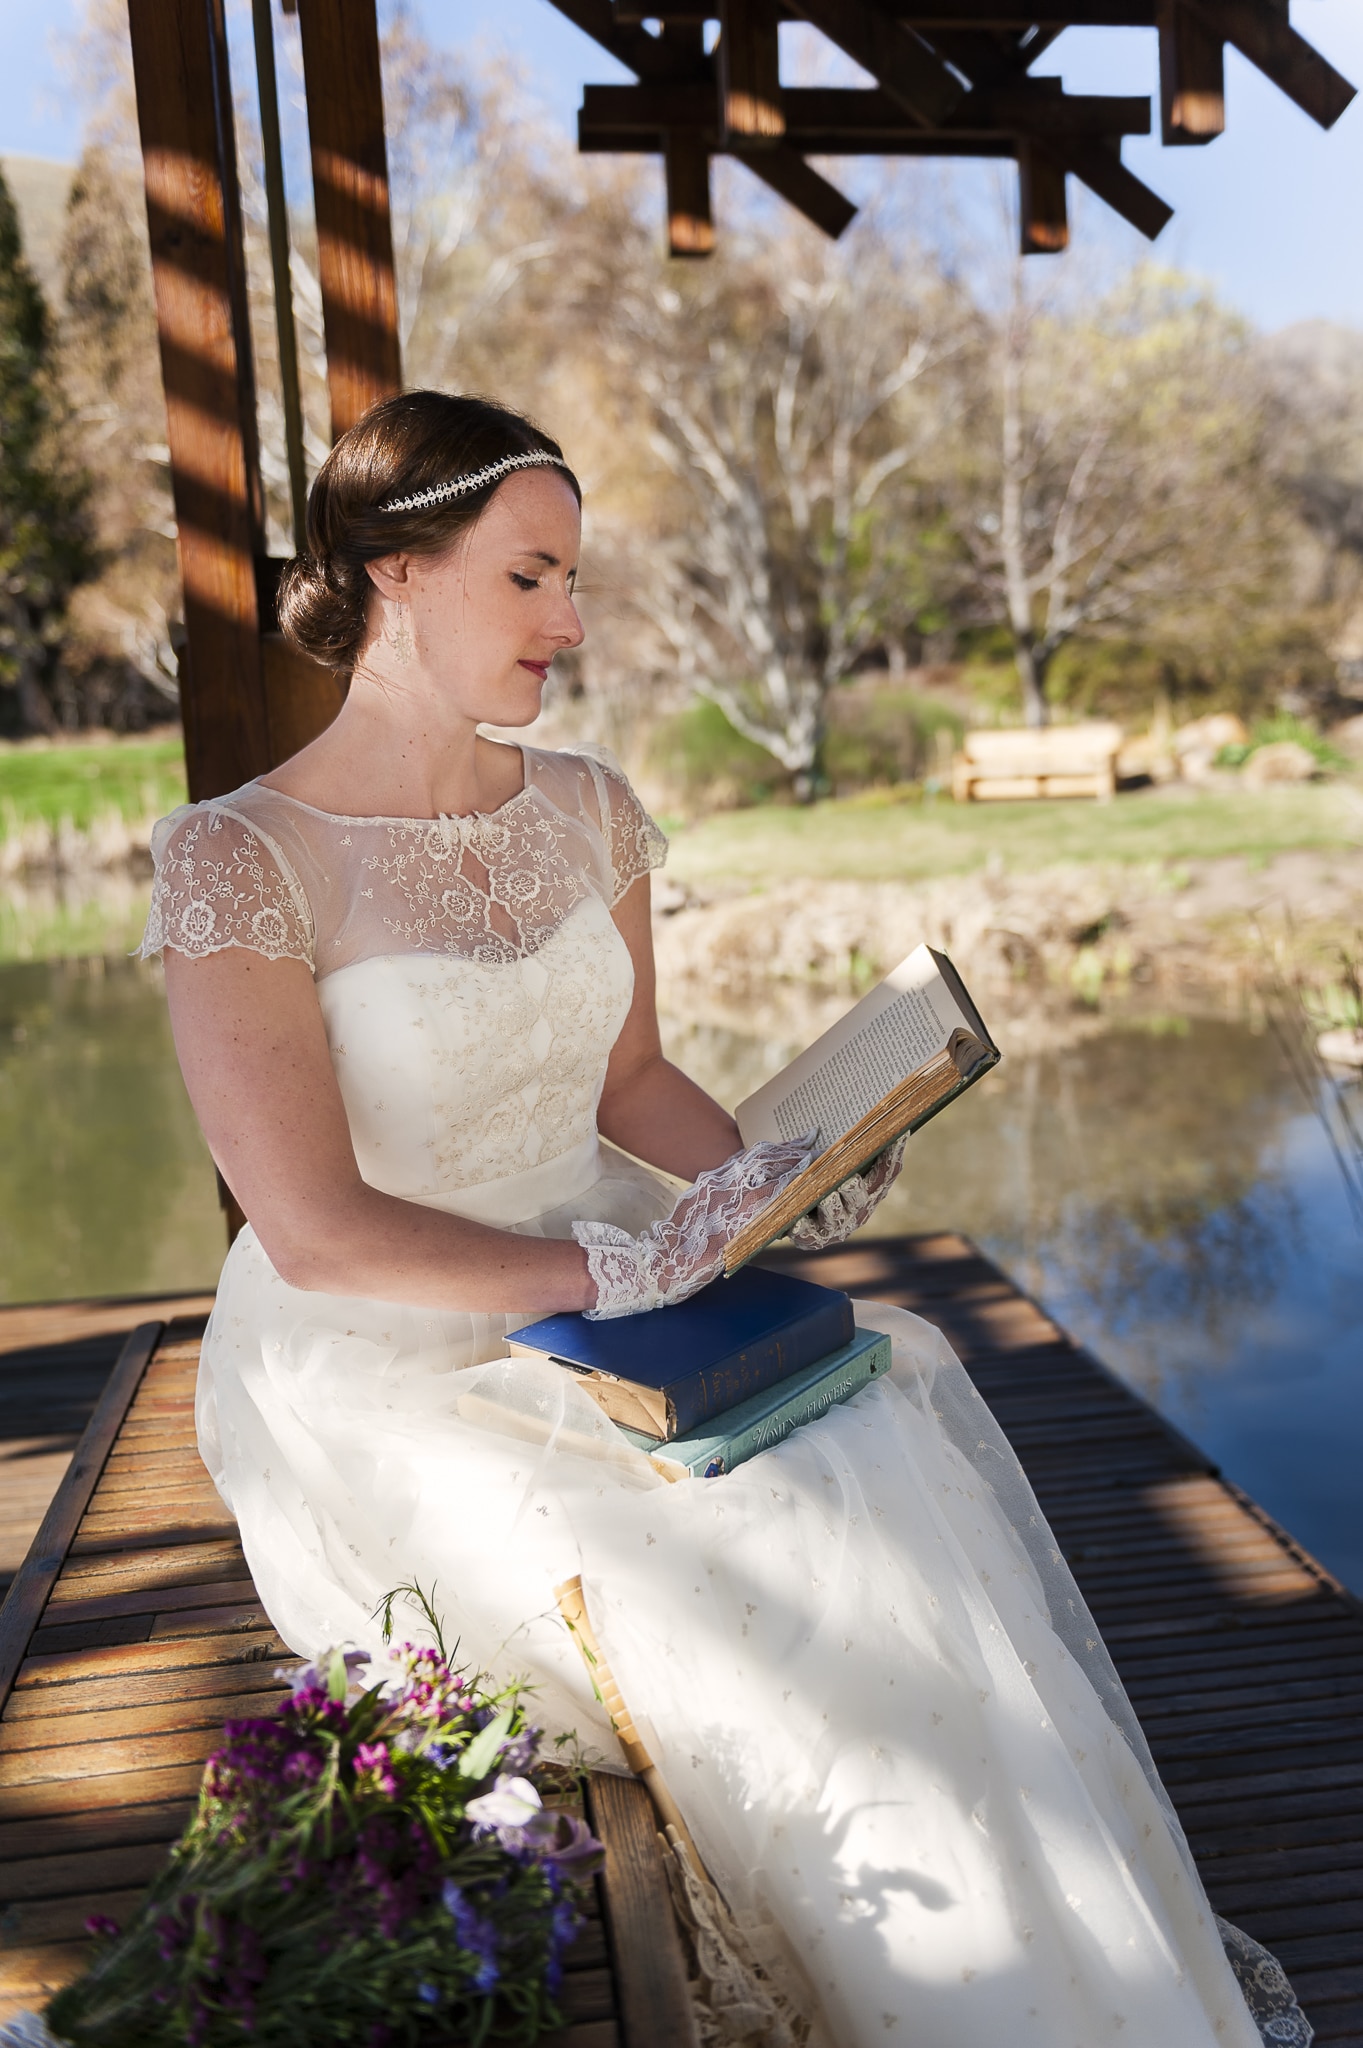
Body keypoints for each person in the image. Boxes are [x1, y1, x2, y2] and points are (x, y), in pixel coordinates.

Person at [143, 390, 1307, 2048]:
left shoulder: (592, 811)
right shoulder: (241, 862)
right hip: (389, 1356)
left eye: (576, 580)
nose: (575, 620)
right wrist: (616, 1267)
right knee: (750, 1557)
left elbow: (629, 1082)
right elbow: (316, 1228)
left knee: (883, 1441)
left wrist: (773, 1164)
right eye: (533, 577)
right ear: (399, 573)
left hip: (632, 1284)